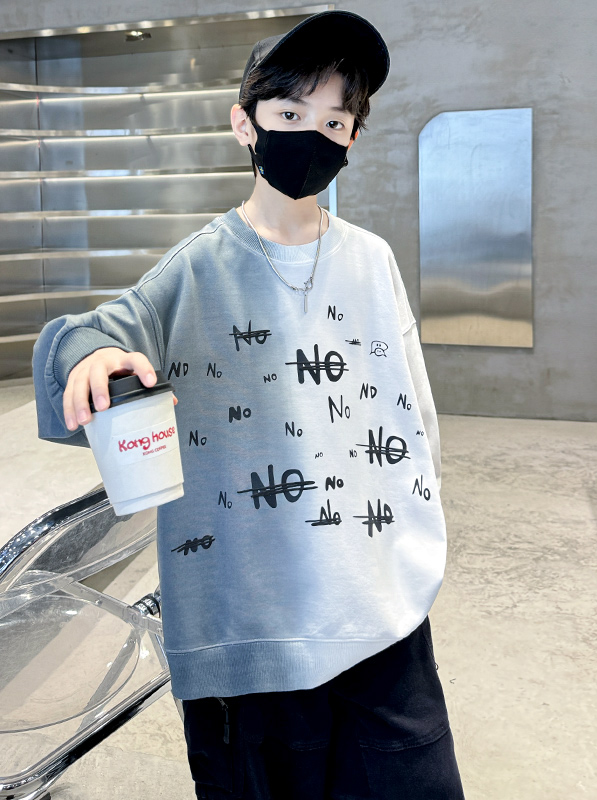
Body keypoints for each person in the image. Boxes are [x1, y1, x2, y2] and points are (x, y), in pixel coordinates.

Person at [33, 10, 464, 799]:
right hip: (253, 626)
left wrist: (419, 525)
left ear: (352, 139)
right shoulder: (196, 268)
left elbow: (416, 416)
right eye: (290, 114)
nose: (314, 135)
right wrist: (92, 355)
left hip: (380, 607)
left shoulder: (373, 260)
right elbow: (95, 333)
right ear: (246, 124)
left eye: (335, 121)